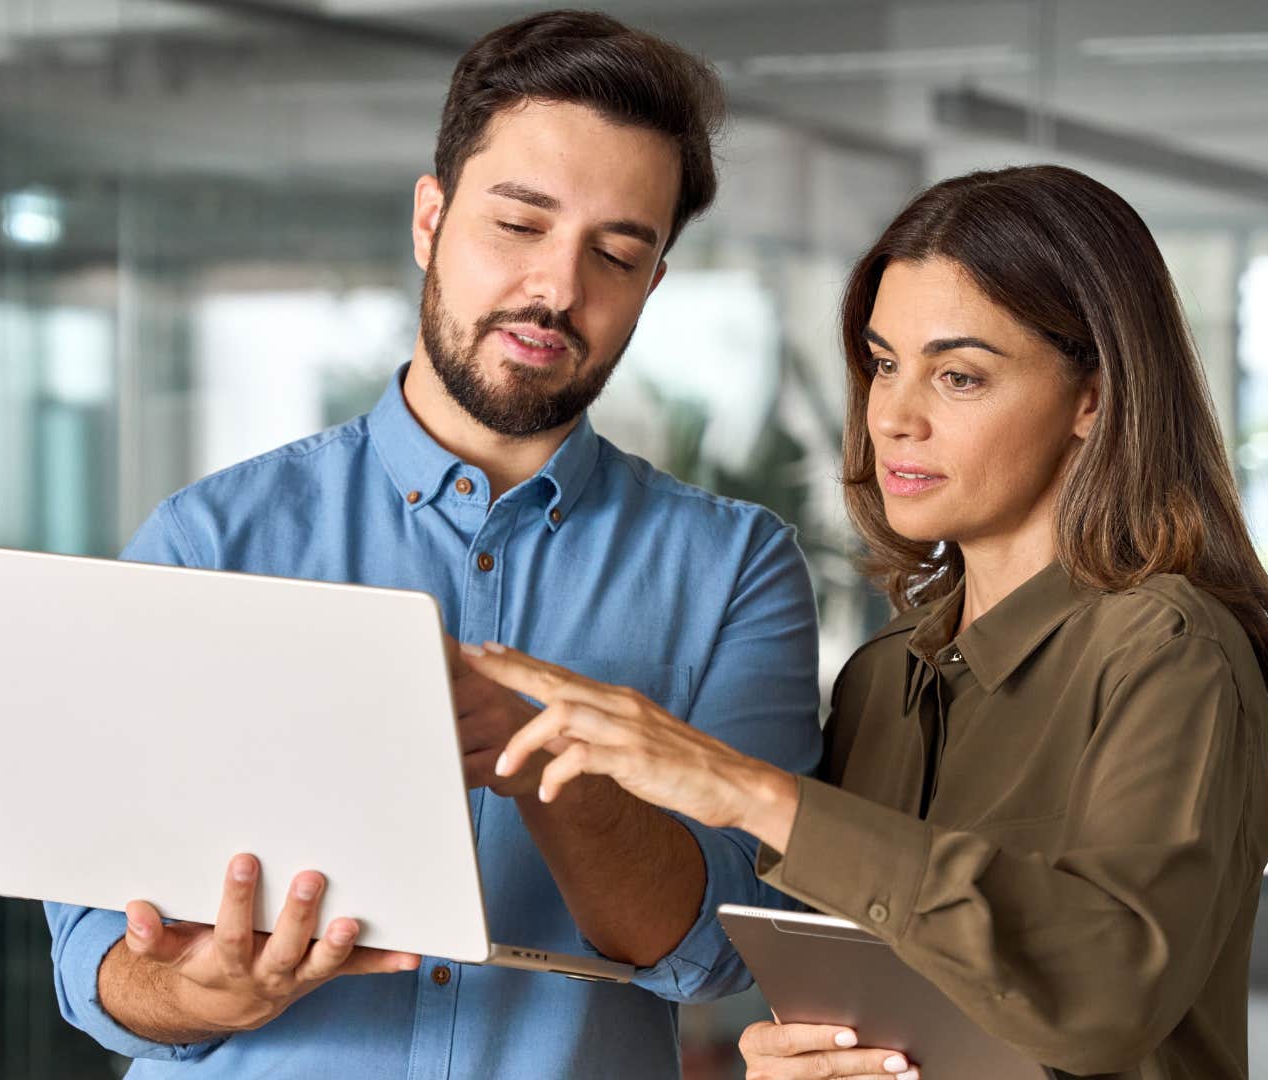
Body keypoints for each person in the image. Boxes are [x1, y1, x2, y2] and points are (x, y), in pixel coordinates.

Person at [43, 11, 824, 1078]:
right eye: (520, 224)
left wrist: (536, 754)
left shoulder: (737, 568)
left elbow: (720, 947)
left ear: (652, 285)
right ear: (430, 218)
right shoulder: (208, 540)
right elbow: (93, 954)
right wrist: (193, 991)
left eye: (618, 252)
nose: (558, 287)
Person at [468, 164, 1268, 1080]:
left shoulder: (1169, 650)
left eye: (958, 376)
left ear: (1094, 398)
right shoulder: (882, 680)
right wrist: (801, 1055)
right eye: (883, 365)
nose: (895, 418)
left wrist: (748, 791)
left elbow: (1109, 993)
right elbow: (881, 1004)